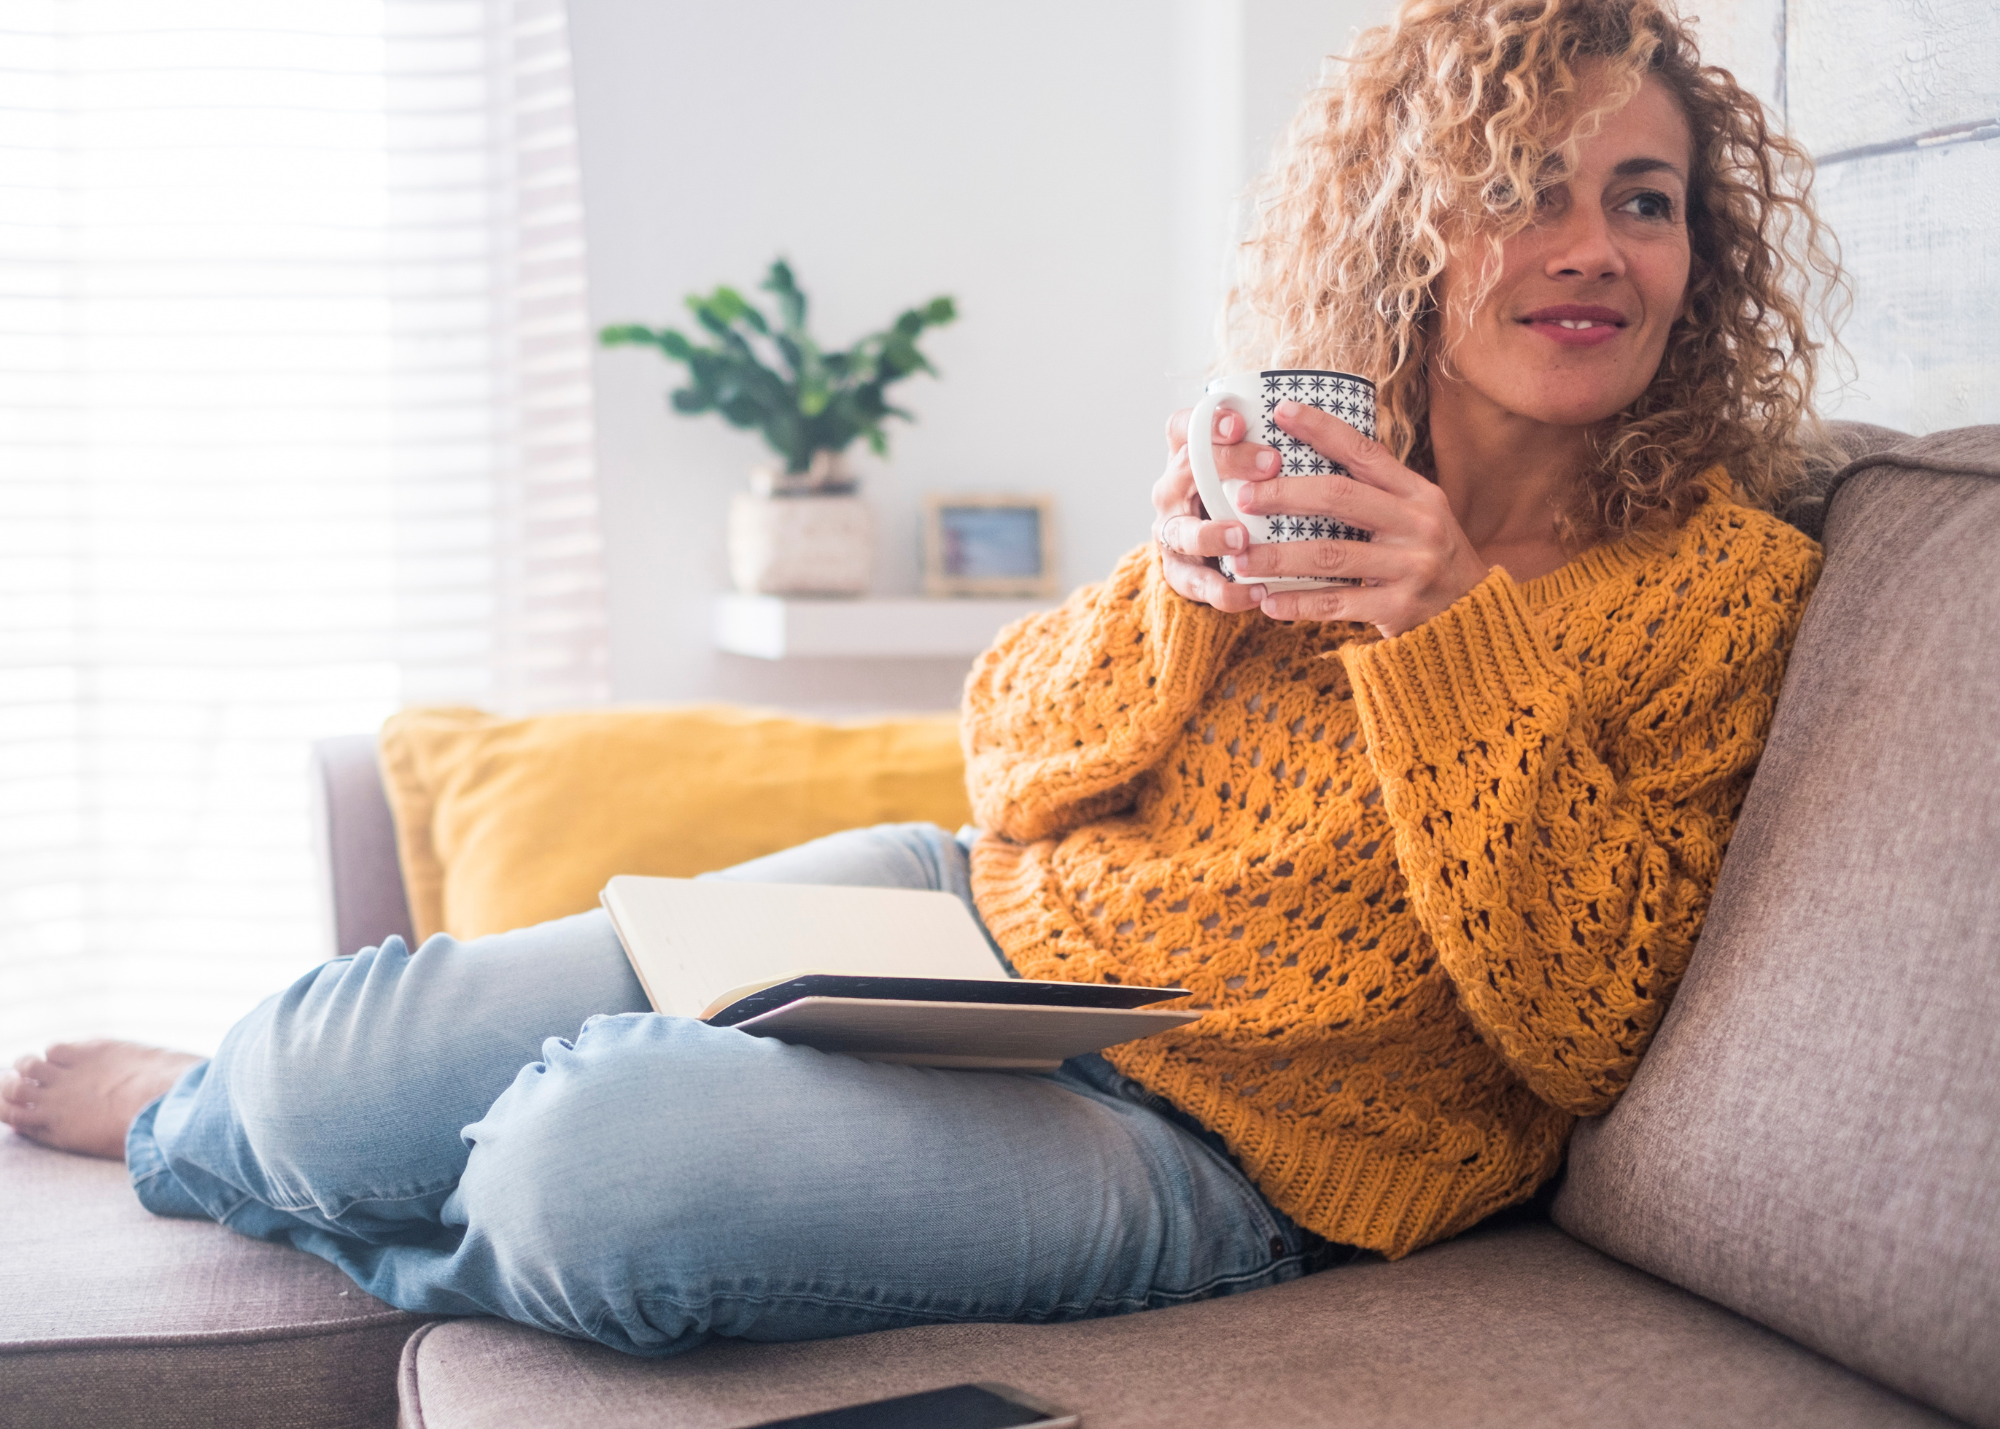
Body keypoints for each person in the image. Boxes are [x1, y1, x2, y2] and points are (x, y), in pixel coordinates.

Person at [2, 0, 1836, 1358]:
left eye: (1647, 199)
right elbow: (1013, 763)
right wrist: (1178, 589)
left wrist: (1445, 640)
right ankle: (208, 1116)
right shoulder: (1294, 464)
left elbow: (1587, 1025)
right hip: (968, 925)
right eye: (1525, 188)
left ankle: (453, 1168)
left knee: (591, 1176)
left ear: (1703, 254)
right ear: (1410, 236)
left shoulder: (1727, 586)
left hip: (1241, 1151)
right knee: (330, 1069)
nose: (1594, 247)